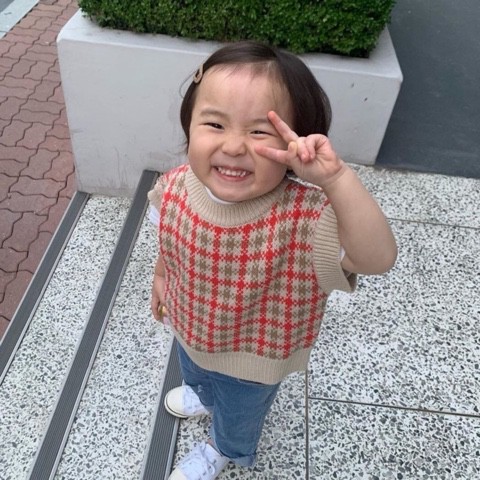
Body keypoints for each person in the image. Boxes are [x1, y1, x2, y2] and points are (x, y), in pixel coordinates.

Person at [148, 41, 397, 480]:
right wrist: (161, 276)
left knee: (239, 415)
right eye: (215, 123)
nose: (234, 145)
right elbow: (168, 241)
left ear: (296, 142)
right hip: (190, 328)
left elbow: (377, 258)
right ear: (190, 124)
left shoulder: (307, 219)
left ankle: (223, 448)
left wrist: (336, 179)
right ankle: (203, 395)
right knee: (196, 373)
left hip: (254, 360)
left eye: (260, 132)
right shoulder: (173, 188)